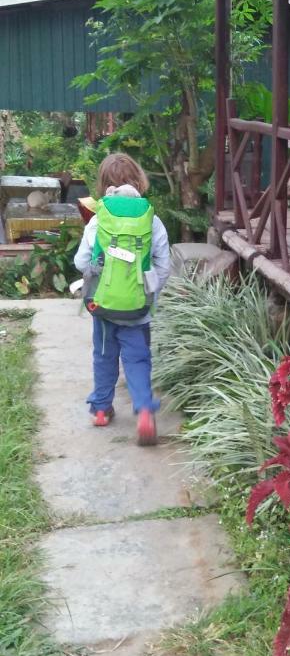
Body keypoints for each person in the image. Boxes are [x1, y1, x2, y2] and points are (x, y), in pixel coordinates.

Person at [74, 153, 171, 445]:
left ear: (104, 186)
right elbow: (164, 265)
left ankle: (101, 410)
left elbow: (81, 261)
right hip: (138, 310)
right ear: (139, 182)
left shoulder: (97, 221)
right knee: (138, 359)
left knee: (103, 357)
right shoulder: (152, 221)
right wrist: (148, 291)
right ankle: (143, 411)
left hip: (102, 308)